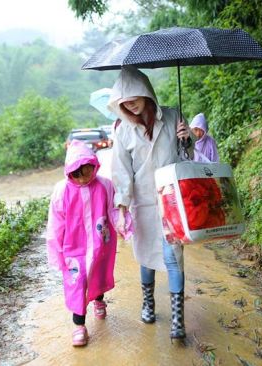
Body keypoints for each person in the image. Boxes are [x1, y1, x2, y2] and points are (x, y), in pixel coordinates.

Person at [107, 66, 193, 341]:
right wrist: (122, 210)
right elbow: (121, 172)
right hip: (142, 203)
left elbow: (187, 156)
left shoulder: (172, 116)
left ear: (145, 91)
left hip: (172, 200)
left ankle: (178, 319)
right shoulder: (123, 130)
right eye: (123, 99)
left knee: (173, 257)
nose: (128, 102)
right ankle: (148, 303)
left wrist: (186, 139)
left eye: (133, 95)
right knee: (145, 256)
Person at [46, 139, 128, 347]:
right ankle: (79, 326)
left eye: (87, 173)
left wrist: (125, 226)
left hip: (101, 243)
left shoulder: (104, 185)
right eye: (77, 175)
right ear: (69, 172)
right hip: (74, 248)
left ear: (94, 166)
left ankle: (99, 300)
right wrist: (56, 252)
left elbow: (112, 210)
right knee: (77, 282)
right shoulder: (62, 190)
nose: (83, 180)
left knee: (98, 275)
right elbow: (56, 224)